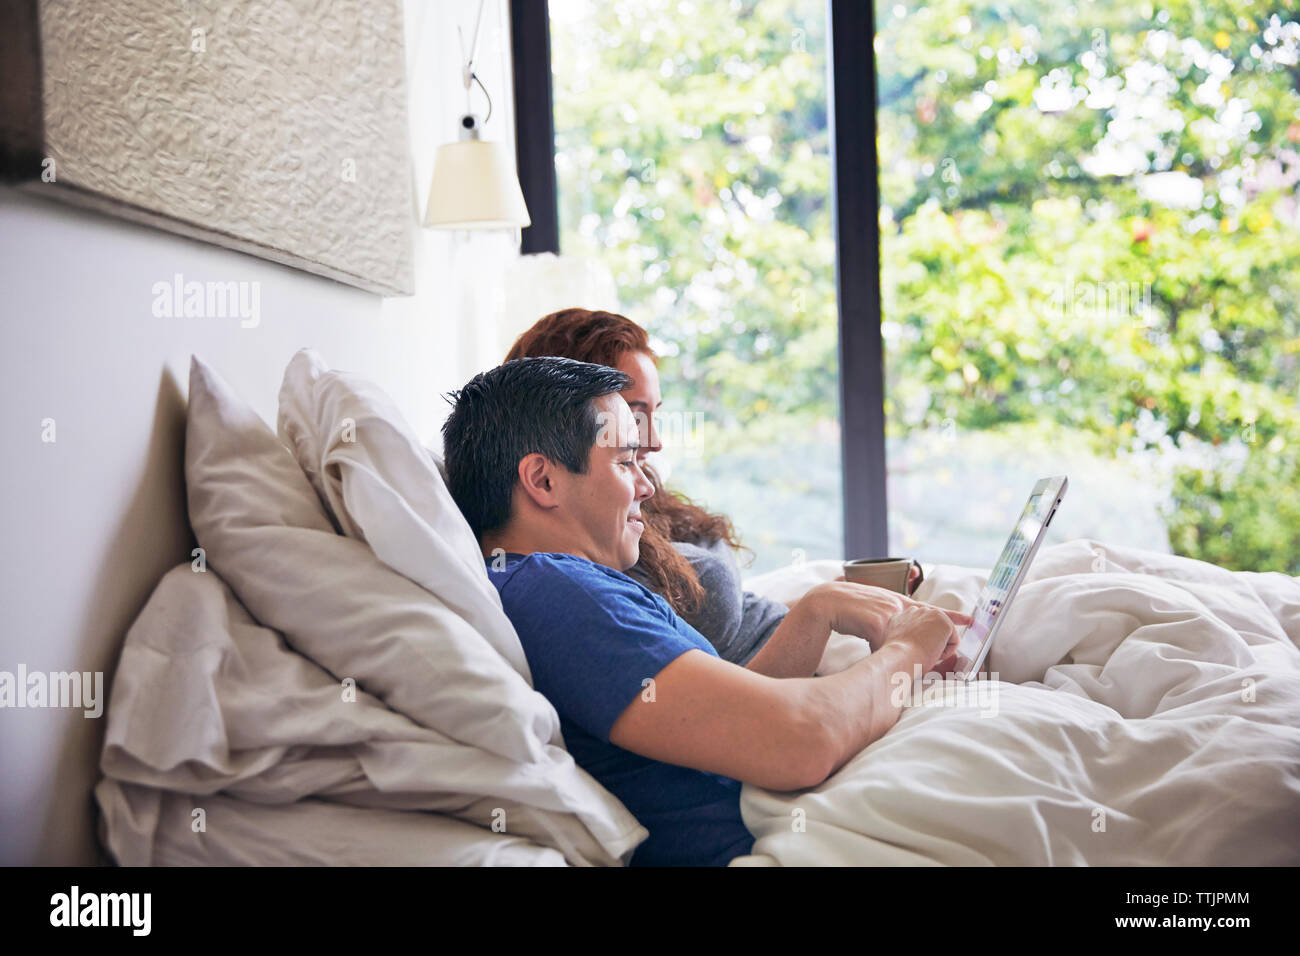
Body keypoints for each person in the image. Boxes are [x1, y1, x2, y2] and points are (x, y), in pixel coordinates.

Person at [441, 356, 970, 866]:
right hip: (766, 837)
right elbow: (797, 740)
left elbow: (728, 721)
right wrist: (909, 650)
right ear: (543, 480)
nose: (647, 486)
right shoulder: (554, 590)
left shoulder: (565, 582)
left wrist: (816, 612)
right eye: (626, 462)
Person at [504, 308, 920, 667]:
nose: (653, 440)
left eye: (655, 413)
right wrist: (824, 610)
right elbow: (730, 703)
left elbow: (739, 621)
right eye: (633, 415)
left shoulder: (635, 500)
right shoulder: (587, 550)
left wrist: (842, 600)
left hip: (815, 652)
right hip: (792, 685)